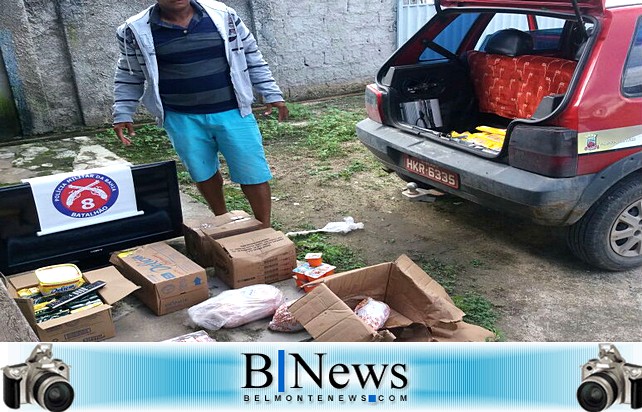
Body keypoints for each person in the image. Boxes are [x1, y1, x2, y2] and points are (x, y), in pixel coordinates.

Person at [112, 0, 288, 228]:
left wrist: (271, 93)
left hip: (233, 111)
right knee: (202, 171)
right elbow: (129, 73)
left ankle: (265, 228)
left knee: (253, 171)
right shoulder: (133, 29)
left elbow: (251, 55)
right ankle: (221, 220)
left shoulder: (223, 15)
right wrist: (123, 112)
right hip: (181, 117)